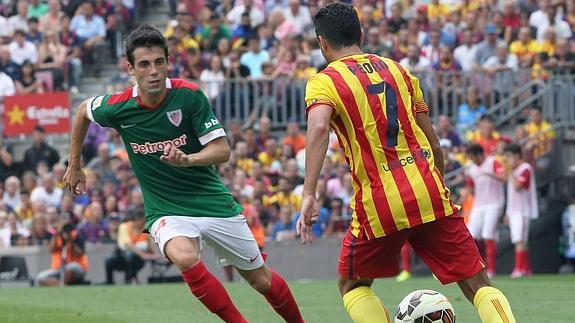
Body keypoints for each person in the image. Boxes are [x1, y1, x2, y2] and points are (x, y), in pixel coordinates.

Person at [63, 25, 304, 323]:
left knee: (261, 280)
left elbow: (222, 150)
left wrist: (189, 159)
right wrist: (75, 165)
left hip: (212, 202)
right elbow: (82, 111)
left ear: (167, 61)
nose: (153, 71)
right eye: (144, 64)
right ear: (131, 68)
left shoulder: (189, 96)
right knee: (186, 258)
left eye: (159, 62)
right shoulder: (119, 106)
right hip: (165, 209)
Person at [297, 3, 516, 323]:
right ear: (361, 34)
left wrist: (308, 193)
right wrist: (435, 183)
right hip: (427, 187)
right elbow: (434, 143)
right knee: (475, 281)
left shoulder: (324, 82)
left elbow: (318, 127)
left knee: (351, 284)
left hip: (379, 200)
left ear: (322, 43)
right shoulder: (399, 71)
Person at [465, 143, 506, 277]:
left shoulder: (492, 163)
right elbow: (470, 187)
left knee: (488, 234)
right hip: (479, 204)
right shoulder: (472, 169)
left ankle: (492, 269)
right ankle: (480, 266)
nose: (473, 161)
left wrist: (490, 174)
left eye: (473, 157)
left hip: (494, 203)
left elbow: (504, 178)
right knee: (471, 235)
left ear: (480, 154)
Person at [503, 143, 538, 278]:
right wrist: (507, 212)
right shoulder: (516, 171)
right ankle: (526, 269)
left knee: (520, 240)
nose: (508, 160)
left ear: (517, 155)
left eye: (509, 156)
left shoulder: (525, 169)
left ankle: (518, 269)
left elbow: (518, 187)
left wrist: (510, 172)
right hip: (513, 210)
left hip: (523, 210)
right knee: (520, 240)